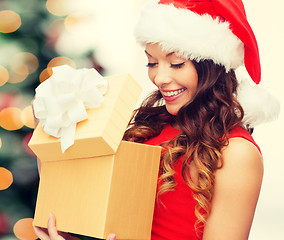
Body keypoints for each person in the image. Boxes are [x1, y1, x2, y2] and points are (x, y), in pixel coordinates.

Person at [33, 0, 280, 239]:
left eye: (176, 63)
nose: (159, 78)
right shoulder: (149, 128)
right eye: (151, 62)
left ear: (212, 65)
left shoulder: (236, 153)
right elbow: (86, 204)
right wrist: (48, 127)